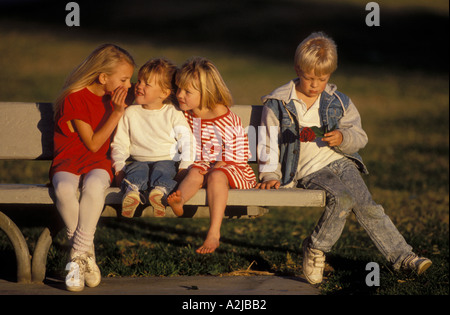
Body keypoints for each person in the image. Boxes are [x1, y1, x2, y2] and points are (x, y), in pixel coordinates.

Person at [256, 32, 432, 285]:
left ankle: (403, 257)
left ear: (331, 74)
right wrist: (270, 175)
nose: (315, 84)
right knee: (342, 198)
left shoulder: (339, 102)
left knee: (368, 206)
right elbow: (268, 142)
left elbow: (360, 136)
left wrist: (343, 137)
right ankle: (316, 248)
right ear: (297, 69)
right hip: (309, 171)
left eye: (322, 78)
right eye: (309, 77)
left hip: (341, 162)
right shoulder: (279, 103)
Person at [50, 44, 135, 291]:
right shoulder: (74, 99)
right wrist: (117, 113)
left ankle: (76, 258)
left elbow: (98, 154)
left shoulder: (114, 96)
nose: (128, 86)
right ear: (103, 77)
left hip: (98, 164)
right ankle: (88, 255)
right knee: (64, 189)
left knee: (95, 185)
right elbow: (93, 143)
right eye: (124, 79)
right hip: (68, 161)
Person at [167, 57, 257, 254]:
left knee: (215, 175)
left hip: (233, 168)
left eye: (187, 91)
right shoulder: (187, 112)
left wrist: (217, 167)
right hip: (204, 165)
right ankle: (179, 202)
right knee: (195, 172)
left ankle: (214, 233)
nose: (180, 95)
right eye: (178, 88)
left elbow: (239, 155)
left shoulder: (225, 117)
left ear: (206, 93)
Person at [111, 58, 194, 218]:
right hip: (139, 160)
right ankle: (132, 193)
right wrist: (119, 167)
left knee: (163, 172)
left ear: (164, 92)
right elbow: (120, 144)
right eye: (139, 81)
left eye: (147, 84)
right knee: (136, 172)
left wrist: (185, 166)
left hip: (167, 160)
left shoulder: (172, 112)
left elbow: (187, 141)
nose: (139, 86)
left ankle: (160, 193)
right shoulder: (130, 112)